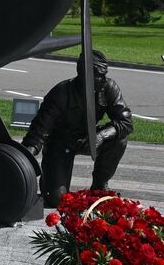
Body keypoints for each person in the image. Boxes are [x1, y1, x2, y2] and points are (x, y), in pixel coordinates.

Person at [21, 50, 133, 206]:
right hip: (60, 142)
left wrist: (100, 136)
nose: (103, 79)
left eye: (104, 74)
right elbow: (38, 133)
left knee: (119, 140)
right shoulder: (60, 93)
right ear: (85, 75)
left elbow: (125, 121)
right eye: (99, 75)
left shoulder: (108, 87)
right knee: (57, 200)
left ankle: (99, 185)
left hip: (88, 137)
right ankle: (50, 180)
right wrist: (22, 163)